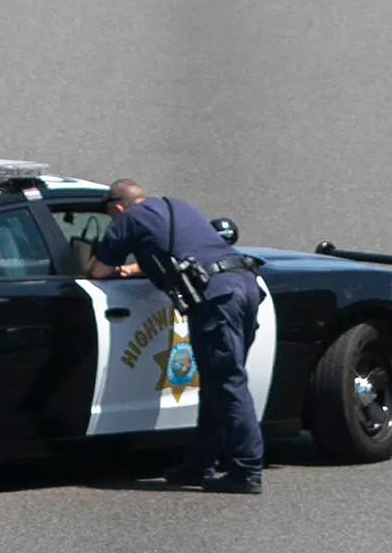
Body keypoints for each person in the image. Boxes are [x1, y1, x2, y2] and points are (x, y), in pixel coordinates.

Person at [87, 177, 266, 493]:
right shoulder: (177, 206)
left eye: (111, 216)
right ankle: (198, 465)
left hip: (215, 298)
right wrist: (131, 270)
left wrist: (114, 264)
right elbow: (180, 253)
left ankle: (247, 470)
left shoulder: (127, 218)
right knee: (216, 382)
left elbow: (98, 271)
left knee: (226, 382)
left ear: (117, 207)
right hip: (245, 285)